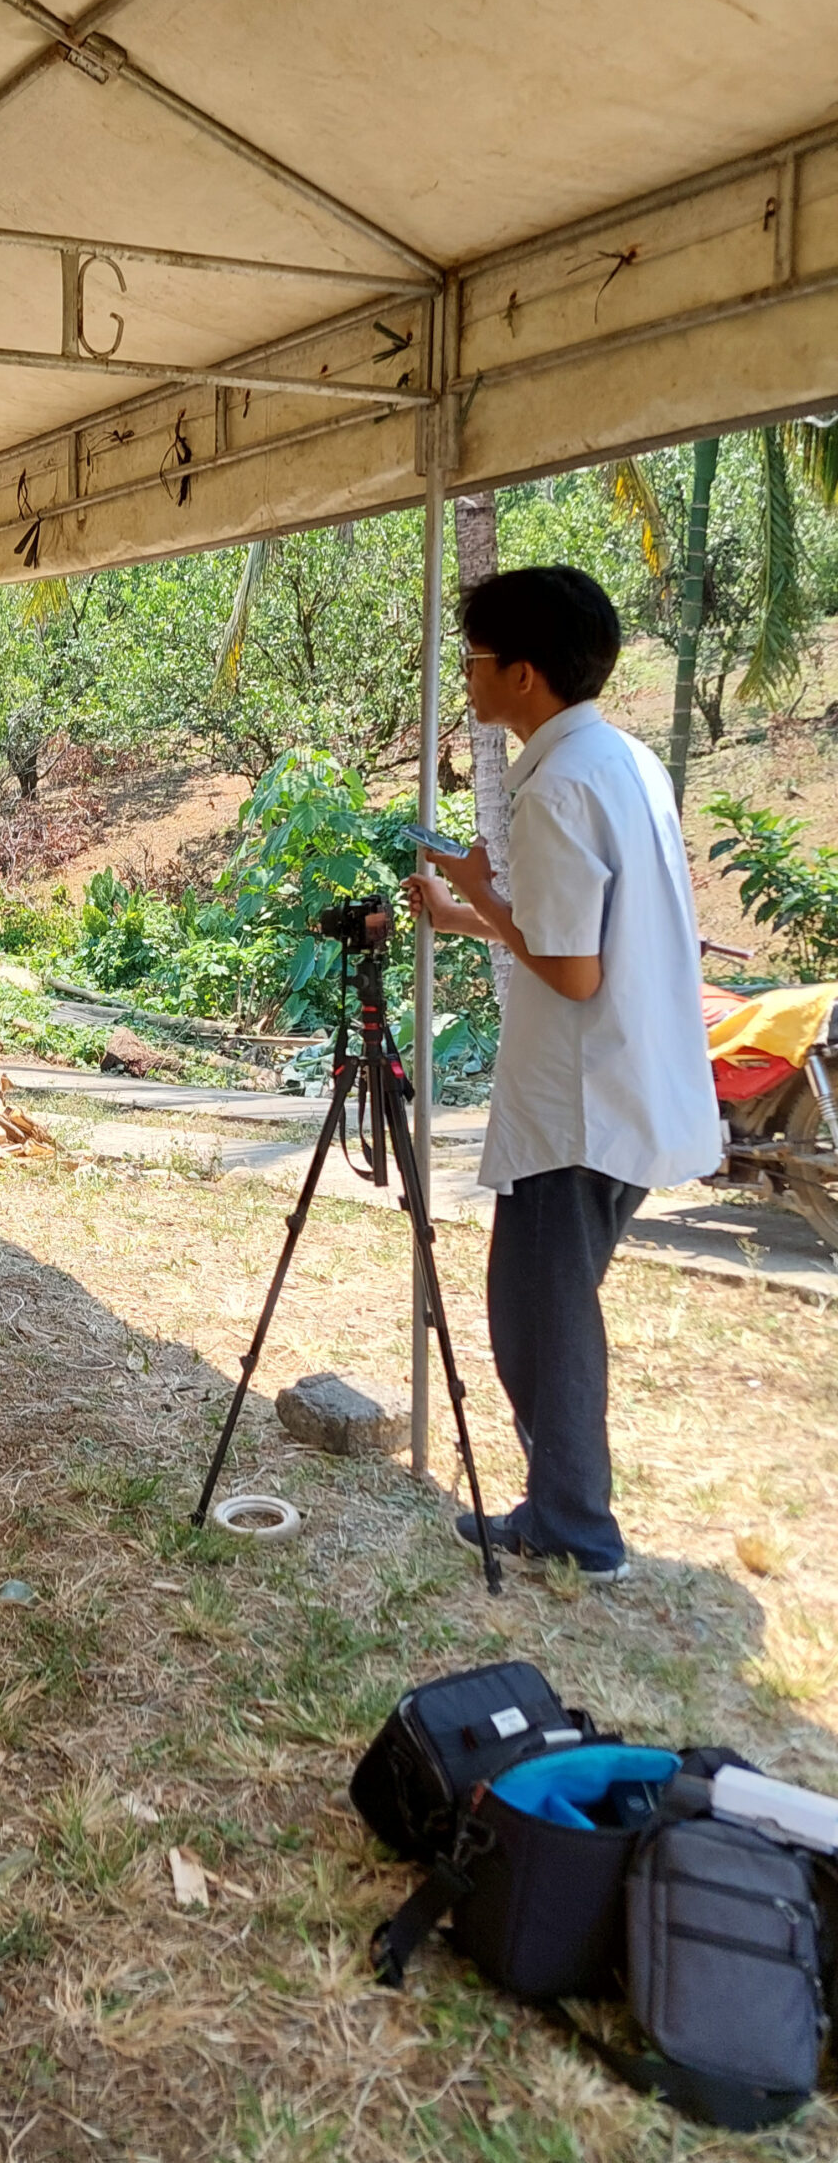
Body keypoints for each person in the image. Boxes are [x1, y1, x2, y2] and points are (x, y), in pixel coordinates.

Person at [403, 564, 718, 1583]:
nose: (468, 676)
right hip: (631, 1082)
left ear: (524, 675)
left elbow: (572, 968)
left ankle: (575, 1527)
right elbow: (580, 935)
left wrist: (478, 888)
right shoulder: (625, 761)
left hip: (580, 1103)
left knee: (539, 1319)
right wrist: (470, 911)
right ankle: (562, 1509)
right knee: (546, 1306)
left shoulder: (557, 787)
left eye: (476, 659)